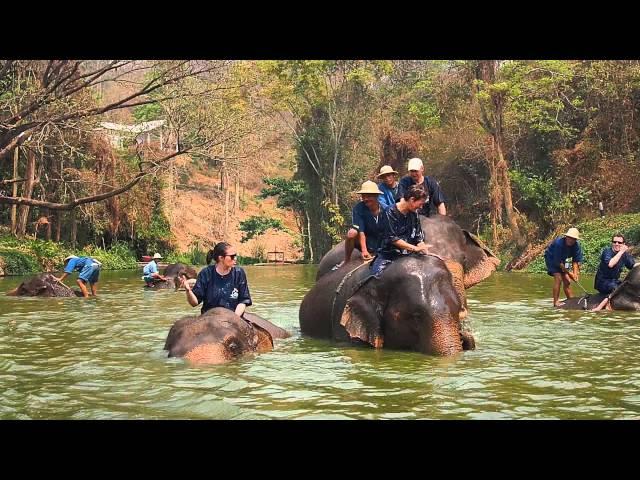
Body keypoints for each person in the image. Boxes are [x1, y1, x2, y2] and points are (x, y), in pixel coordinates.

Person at [371, 184, 432, 276]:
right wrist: (415, 248)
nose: (421, 207)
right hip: (389, 255)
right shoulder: (389, 212)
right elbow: (392, 239)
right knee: (376, 276)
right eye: (420, 204)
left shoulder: (414, 214)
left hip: (409, 254)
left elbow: (418, 238)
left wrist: (426, 253)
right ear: (412, 200)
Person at [181, 242, 252, 316]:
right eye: (232, 256)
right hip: (209, 319)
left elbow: (243, 301)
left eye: (235, 256)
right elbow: (194, 303)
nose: (235, 259)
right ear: (221, 258)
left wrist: (234, 318)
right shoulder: (206, 273)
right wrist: (188, 291)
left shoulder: (239, 273)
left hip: (233, 317)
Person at [334, 181, 387, 270]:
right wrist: (364, 250)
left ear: (376, 196)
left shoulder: (386, 209)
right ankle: (347, 260)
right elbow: (361, 231)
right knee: (352, 233)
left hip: (379, 240)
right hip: (364, 239)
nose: (365, 199)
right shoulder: (359, 208)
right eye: (363, 196)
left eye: (369, 196)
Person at [591, 233, 636, 311]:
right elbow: (611, 264)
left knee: (627, 286)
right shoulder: (607, 252)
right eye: (614, 242)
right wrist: (621, 252)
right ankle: (600, 307)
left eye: (619, 242)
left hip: (615, 281)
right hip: (603, 282)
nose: (616, 244)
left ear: (623, 244)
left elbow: (633, 265)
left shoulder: (624, 255)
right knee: (615, 287)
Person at [543, 228, 584, 307]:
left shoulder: (576, 246)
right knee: (558, 278)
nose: (571, 240)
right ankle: (556, 302)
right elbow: (558, 262)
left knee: (567, 281)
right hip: (552, 258)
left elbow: (575, 261)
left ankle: (571, 300)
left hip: (563, 260)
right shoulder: (559, 244)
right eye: (569, 238)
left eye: (573, 239)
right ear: (566, 237)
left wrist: (575, 274)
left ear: (575, 240)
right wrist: (569, 273)